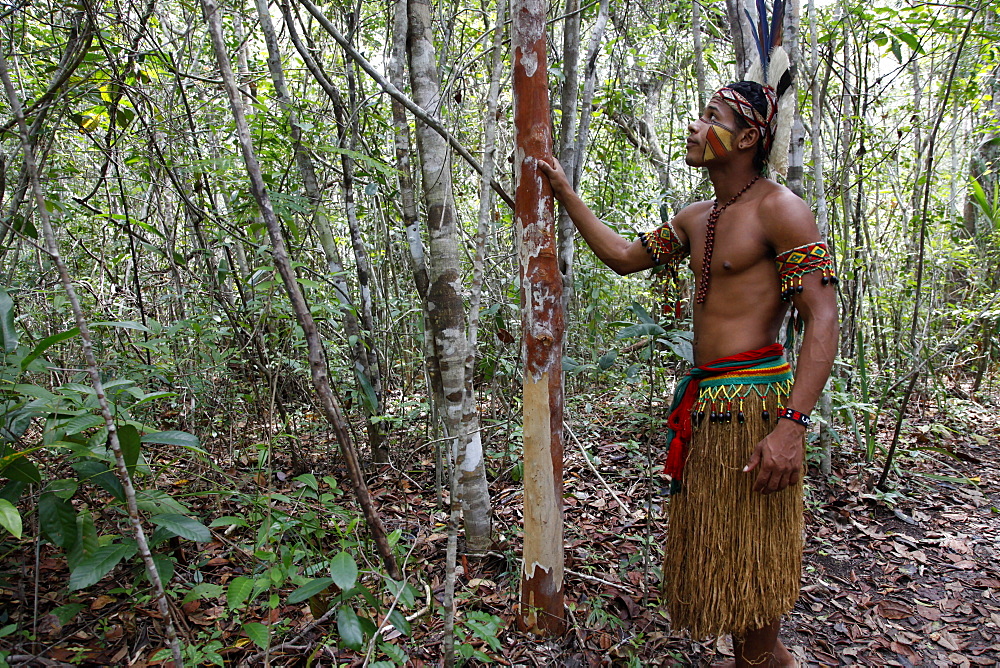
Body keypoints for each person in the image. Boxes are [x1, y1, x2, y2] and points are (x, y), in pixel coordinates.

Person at [539, 80, 839, 667]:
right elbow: (625, 258)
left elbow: (823, 316)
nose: (695, 128)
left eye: (712, 118)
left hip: (757, 407)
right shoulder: (695, 217)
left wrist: (792, 427)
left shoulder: (782, 210)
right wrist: (565, 193)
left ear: (748, 137)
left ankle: (767, 659)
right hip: (708, 408)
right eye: (699, 115)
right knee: (724, 558)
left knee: (755, 570)